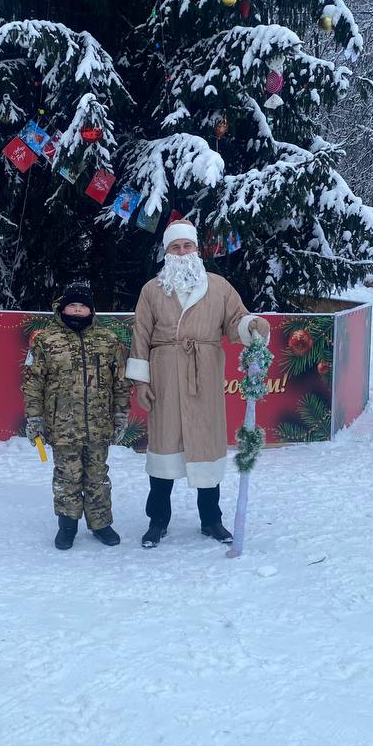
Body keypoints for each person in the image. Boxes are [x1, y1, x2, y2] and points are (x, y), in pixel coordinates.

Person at [126, 220, 270, 548]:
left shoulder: (218, 286)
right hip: (164, 375)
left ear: (196, 249)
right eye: (175, 247)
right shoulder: (152, 290)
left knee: (206, 446)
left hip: (203, 374)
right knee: (163, 449)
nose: (181, 252)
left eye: (186, 246)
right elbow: (140, 335)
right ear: (166, 253)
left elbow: (236, 321)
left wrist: (252, 325)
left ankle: (212, 520)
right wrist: (140, 382)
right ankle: (157, 520)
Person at [22, 281, 131, 550]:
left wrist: (120, 414)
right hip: (62, 425)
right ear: (63, 308)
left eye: (83, 306)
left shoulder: (108, 340)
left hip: (98, 424)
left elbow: (120, 381)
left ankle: (101, 524)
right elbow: (33, 382)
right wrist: (34, 418)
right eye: (73, 305)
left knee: (97, 476)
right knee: (66, 476)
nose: (78, 310)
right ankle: (67, 525)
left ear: (91, 310)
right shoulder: (46, 341)